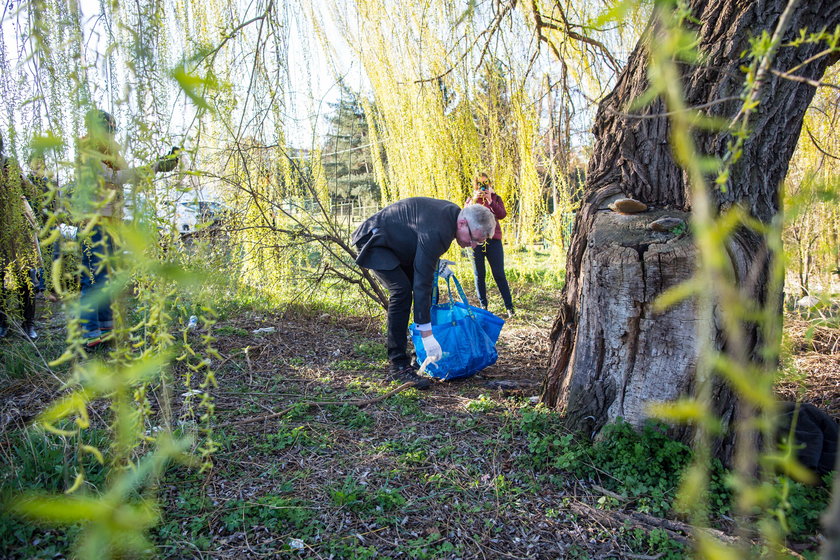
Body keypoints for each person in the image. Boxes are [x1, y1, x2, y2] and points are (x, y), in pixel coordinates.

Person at [352, 197, 496, 389]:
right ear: (463, 223)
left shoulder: (453, 216)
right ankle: (398, 365)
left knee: (425, 292)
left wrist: (435, 262)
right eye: (474, 239)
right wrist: (428, 336)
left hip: (400, 244)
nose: (474, 245)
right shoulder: (440, 231)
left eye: (479, 242)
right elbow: (421, 282)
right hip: (375, 241)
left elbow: (423, 260)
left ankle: (418, 355)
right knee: (402, 291)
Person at [73, 109, 179, 349]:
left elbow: (125, 178)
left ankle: (106, 330)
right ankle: (90, 333)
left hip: (112, 223)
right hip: (94, 222)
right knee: (93, 277)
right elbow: (114, 177)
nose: (111, 132)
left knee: (107, 278)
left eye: (113, 128)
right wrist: (155, 166)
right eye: (107, 128)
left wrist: (158, 167)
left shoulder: (112, 153)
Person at [0, 132, 42, 340]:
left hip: (20, 228)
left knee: (29, 278)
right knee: (2, 278)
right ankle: (3, 323)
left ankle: (29, 324)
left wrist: (18, 179)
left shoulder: (10, 164)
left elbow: (32, 192)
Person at [465, 172, 514, 317]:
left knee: (499, 274)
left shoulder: (496, 198)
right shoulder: (471, 199)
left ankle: (509, 307)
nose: (483, 186)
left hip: (493, 240)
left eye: (485, 183)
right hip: (475, 241)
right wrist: (473, 201)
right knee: (479, 274)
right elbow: (464, 216)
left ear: (489, 184)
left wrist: (490, 200)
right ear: (475, 185)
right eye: (480, 184)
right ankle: (483, 305)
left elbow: (502, 215)